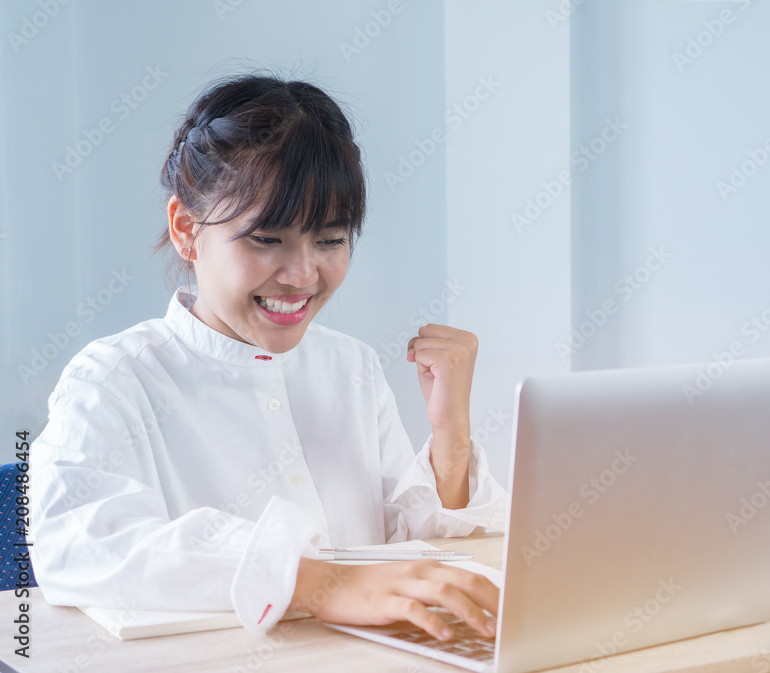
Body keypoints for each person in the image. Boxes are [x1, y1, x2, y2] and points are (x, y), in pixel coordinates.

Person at [30, 72, 508, 643]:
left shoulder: (349, 367)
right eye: (266, 239)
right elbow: (76, 544)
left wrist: (449, 431)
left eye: (330, 240)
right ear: (186, 230)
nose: (302, 274)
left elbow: (413, 542)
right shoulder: (113, 379)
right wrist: (315, 583)